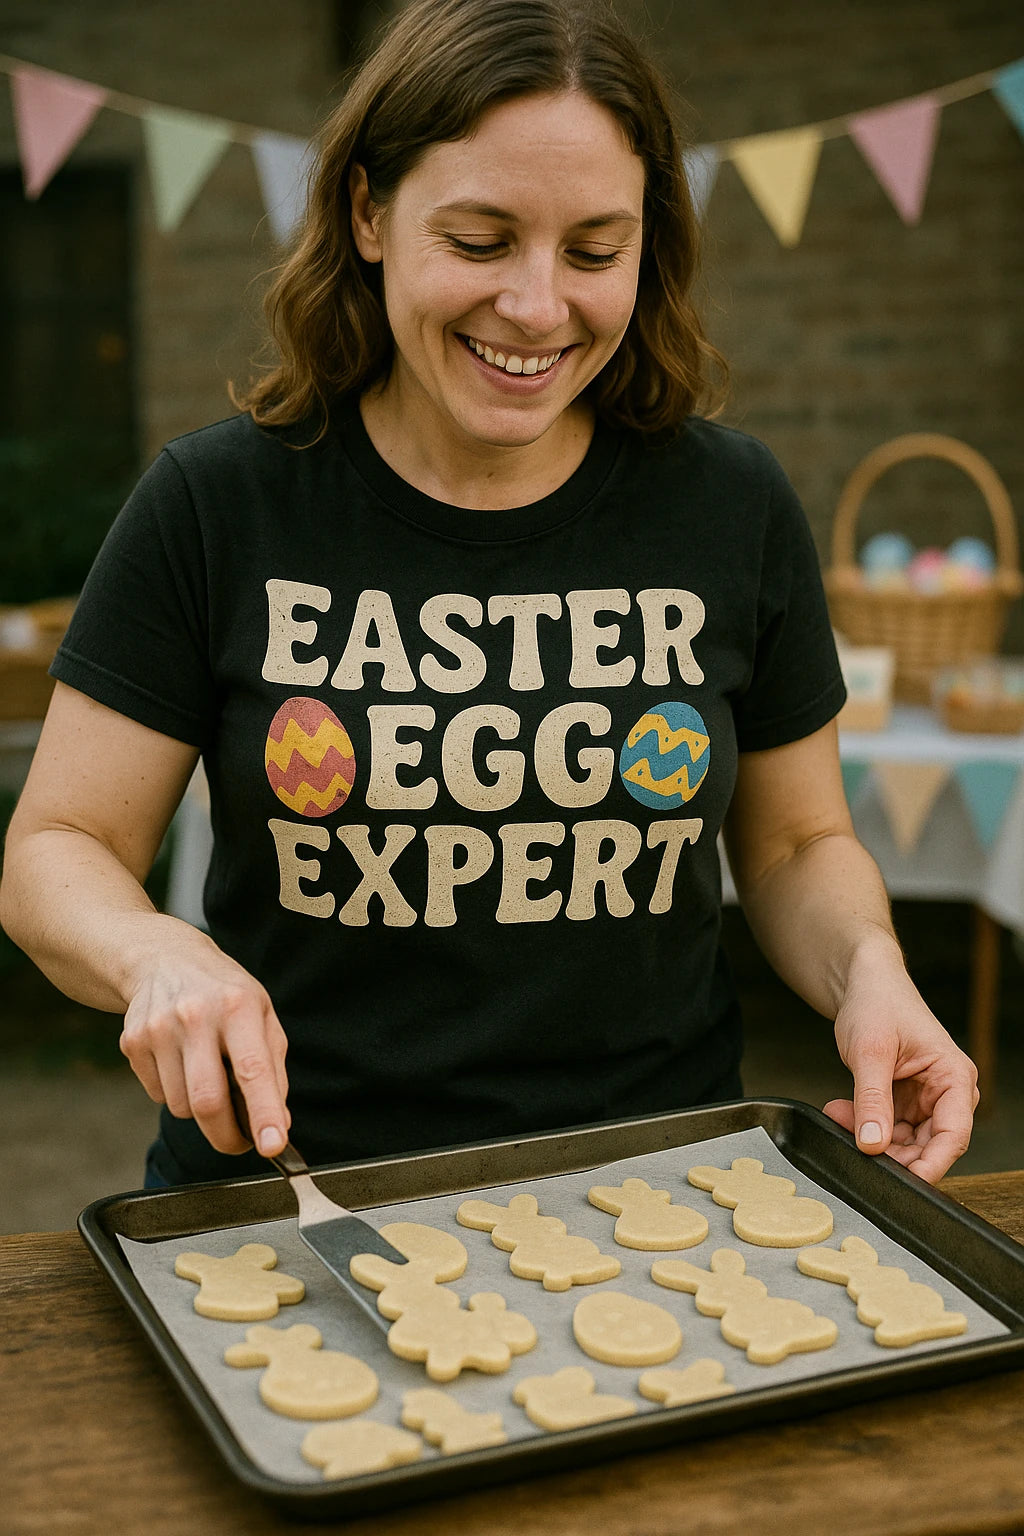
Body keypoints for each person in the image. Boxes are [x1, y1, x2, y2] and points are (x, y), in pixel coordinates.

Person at [0, 0, 977, 1190]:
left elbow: (793, 847)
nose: (534, 306)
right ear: (367, 212)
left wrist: (869, 962)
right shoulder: (221, 504)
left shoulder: (730, 505)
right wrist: (148, 947)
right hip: (295, 1200)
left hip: (654, 1193)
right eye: (478, 239)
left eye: (592, 250)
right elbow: (60, 845)